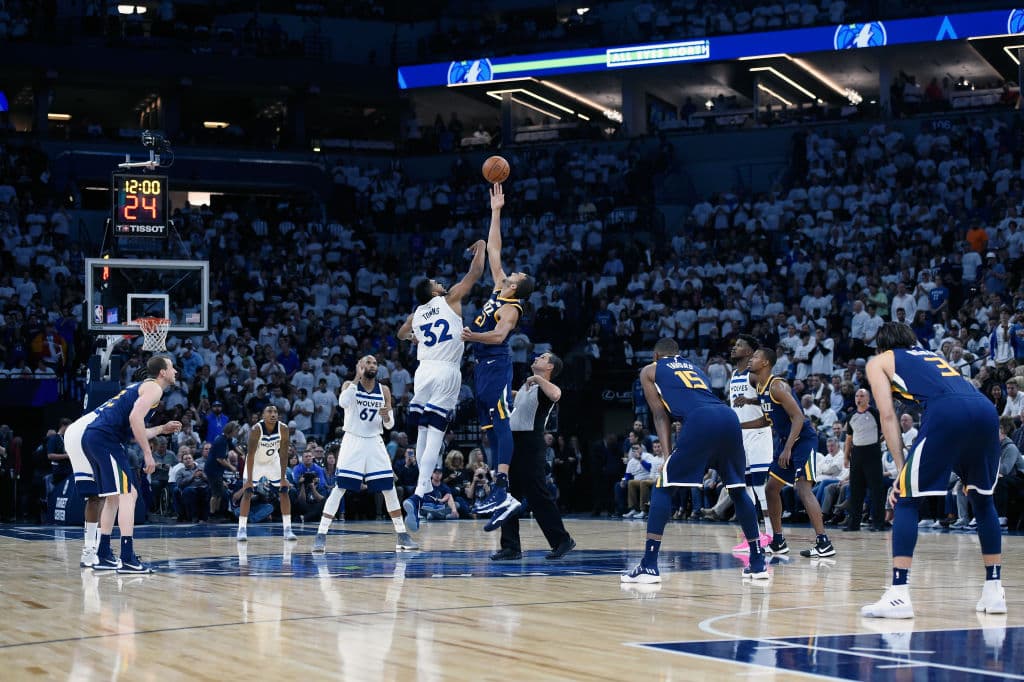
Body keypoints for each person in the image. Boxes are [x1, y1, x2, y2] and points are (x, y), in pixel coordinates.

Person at [861, 322, 1006, 619]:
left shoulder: (879, 361)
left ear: (882, 346)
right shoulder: (929, 355)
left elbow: (888, 417)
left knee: (906, 499)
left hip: (946, 411)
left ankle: (899, 594)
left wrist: (901, 470)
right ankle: (994, 590)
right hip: (984, 409)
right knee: (982, 499)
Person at [622, 338, 767, 584]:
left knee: (663, 486)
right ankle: (757, 562)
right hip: (728, 417)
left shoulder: (650, 370)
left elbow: (660, 415)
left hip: (700, 420)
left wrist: (667, 456)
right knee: (738, 489)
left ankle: (648, 564)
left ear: (657, 356)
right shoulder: (697, 369)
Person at [397, 238, 486, 531]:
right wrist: (483, 247)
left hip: (423, 372)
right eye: (436, 282)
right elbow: (475, 273)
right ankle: (419, 495)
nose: (441, 283)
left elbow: (400, 334)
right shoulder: (451, 299)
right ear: (433, 291)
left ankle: (418, 495)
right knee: (435, 437)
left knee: (423, 434)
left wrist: (414, 337)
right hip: (447, 371)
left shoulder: (416, 314)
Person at [460, 183, 535, 531]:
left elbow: (500, 335)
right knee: (489, 430)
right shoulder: (498, 285)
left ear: (518, 287)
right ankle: (497, 489)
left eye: (517, 275)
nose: (512, 272)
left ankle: (504, 486)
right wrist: (496, 211)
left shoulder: (512, 307)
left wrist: (473, 335)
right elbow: (494, 249)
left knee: (501, 424)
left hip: (497, 364)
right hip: (482, 367)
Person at [65, 356, 182, 572]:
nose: (176, 371)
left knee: (115, 497)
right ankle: (127, 558)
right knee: (129, 494)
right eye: (172, 367)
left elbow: (132, 429)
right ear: (162, 372)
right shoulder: (154, 388)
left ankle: (102, 554)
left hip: (95, 437)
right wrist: (148, 454)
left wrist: (160, 429)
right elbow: (135, 419)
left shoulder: (141, 388)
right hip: (104, 439)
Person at [313, 355, 418, 553]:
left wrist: (387, 417)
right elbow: (343, 403)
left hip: (374, 442)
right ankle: (321, 535)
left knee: (389, 488)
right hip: (353, 440)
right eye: (367, 362)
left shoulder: (384, 390)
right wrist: (355, 379)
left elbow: (389, 425)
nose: (372, 365)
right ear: (360, 366)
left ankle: (402, 535)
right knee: (340, 487)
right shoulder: (349, 385)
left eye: (374, 363)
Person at [749, 347, 836, 559]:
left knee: (803, 489)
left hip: (803, 440)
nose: (751, 360)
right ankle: (778, 541)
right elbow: (767, 420)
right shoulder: (760, 387)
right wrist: (740, 425)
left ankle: (824, 542)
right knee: (771, 489)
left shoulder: (777, 386)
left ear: (765, 363)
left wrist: (788, 448)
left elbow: (799, 417)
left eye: (755, 357)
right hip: (786, 441)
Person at [492, 352, 575, 558]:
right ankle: (510, 546)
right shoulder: (527, 386)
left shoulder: (545, 388)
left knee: (538, 495)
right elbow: (517, 398)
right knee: (509, 496)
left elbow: (557, 394)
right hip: (515, 442)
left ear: (550, 368)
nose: (538, 358)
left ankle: (563, 540)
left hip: (531, 444)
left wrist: (537, 378)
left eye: (544, 358)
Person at [726, 334, 773, 552]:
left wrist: (751, 403)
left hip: (759, 435)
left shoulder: (755, 377)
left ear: (749, 352)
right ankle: (754, 537)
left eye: (739, 345)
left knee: (760, 487)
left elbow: (768, 409)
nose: (734, 348)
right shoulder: (734, 374)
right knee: (745, 488)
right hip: (741, 438)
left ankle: (772, 536)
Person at [237, 405, 296, 541]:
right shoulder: (256, 429)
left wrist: (282, 477)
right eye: (269, 411)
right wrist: (250, 480)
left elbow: (283, 454)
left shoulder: (284, 429)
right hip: (255, 462)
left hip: (272, 461)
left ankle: (287, 529)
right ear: (263, 415)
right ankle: (242, 529)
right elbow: (250, 455)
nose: (273, 414)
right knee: (247, 492)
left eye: (275, 411)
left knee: (284, 490)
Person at [843, 388, 885, 531]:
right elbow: (848, 438)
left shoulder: (875, 413)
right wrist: (846, 456)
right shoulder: (851, 416)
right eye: (857, 396)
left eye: (862, 396)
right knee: (855, 490)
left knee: (876, 490)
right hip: (857, 454)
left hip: (872, 453)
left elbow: (886, 430)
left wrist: (877, 442)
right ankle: (853, 524)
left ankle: (878, 523)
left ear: (868, 398)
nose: (859, 398)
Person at [205, 421, 241, 519]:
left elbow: (234, 447)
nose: (237, 433)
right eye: (236, 431)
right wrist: (231, 467)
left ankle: (217, 513)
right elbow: (220, 459)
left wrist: (242, 454)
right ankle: (212, 515)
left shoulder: (227, 438)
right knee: (216, 493)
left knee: (220, 493)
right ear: (231, 430)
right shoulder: (220, 441)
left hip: (218, 470)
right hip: (213, 470)